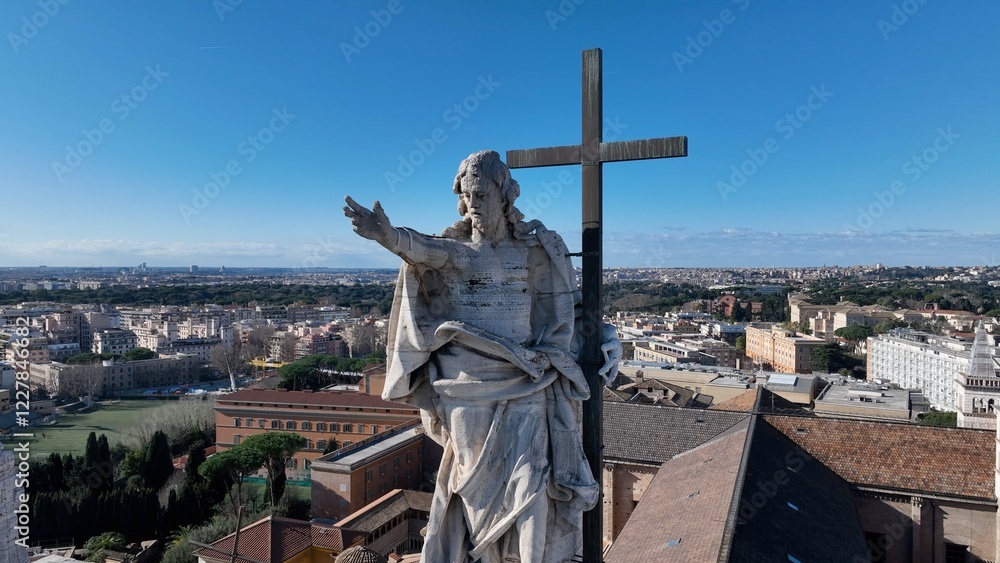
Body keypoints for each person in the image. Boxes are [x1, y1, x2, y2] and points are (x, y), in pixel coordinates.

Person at [344, 150, 619, 563]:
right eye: (466, 194)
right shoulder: (455, 252)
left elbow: (567, 308)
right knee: (476, 488)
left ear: (504, 194)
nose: (472, 203)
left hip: (529, 376)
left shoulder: (535, 249)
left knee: (533, 480)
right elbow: (419, 248)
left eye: (481, 193)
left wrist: (606, 335)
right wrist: (387, 235)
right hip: (466, 386)